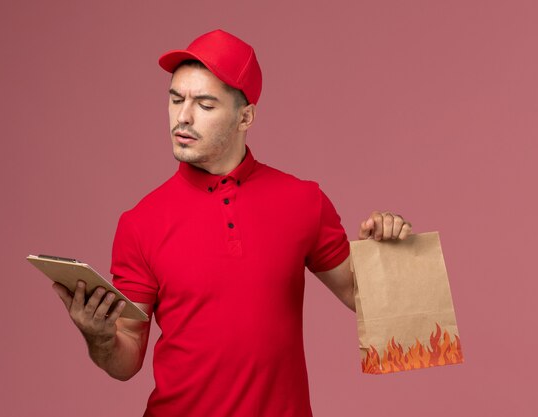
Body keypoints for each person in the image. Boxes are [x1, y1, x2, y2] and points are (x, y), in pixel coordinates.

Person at [52, 29, 412, 417]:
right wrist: (100, 336)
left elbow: (369, 301)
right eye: (176, 99)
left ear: (246, 117)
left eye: (205, 105)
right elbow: (126, 361)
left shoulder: (303, 200)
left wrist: (387, 252)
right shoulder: (139, 223)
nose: (183, 117)